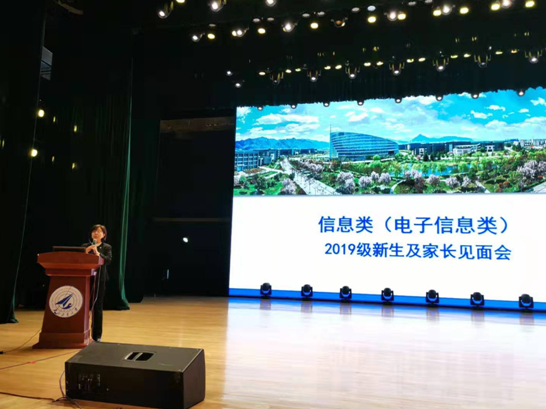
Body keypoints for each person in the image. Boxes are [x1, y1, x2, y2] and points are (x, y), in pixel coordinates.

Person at [83, 224, 112, 342]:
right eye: (94, 231)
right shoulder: (85, 246)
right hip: (85, 279)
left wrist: (98, 253)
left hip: (100, 279)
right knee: (84, 306)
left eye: (99, 231)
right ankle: (82, 333)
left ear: (103, 235)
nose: (96, 233)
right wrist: (86, 252)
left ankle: (97, 335)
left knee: (97, 307)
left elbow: (108, 260)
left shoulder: (106, 247)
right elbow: (78, 259)